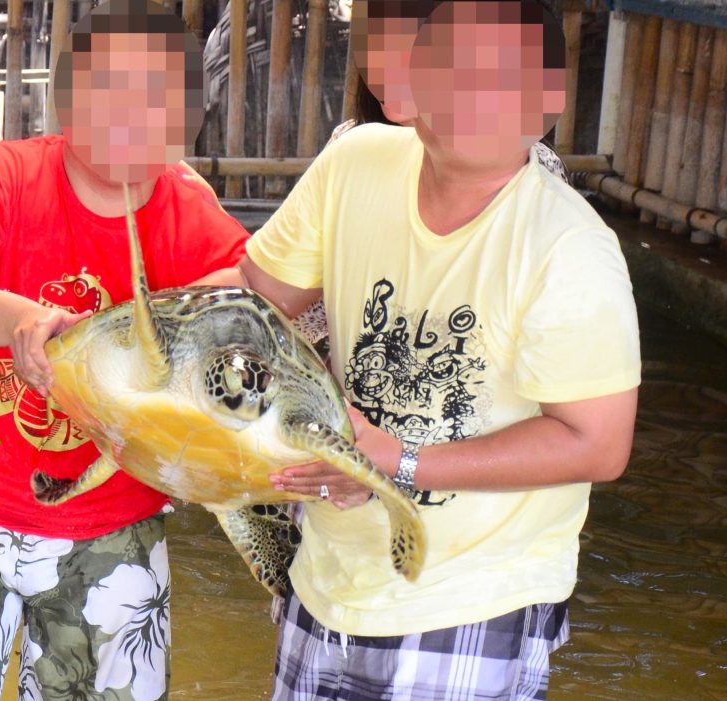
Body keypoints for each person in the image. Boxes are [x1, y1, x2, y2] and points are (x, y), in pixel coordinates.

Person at [196, 0, 641, 698]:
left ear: (548, 97)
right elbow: (253, 293)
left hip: (473, 599)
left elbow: (599, 442)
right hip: (327, 577)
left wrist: (398, 460)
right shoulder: (354, 163)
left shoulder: (570, 247)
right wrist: (121, 332)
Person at [0, 2, 249, 700]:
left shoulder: (187, 207)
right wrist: (22, 322)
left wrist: (210, 303)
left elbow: (252, 301)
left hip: (115, 517)